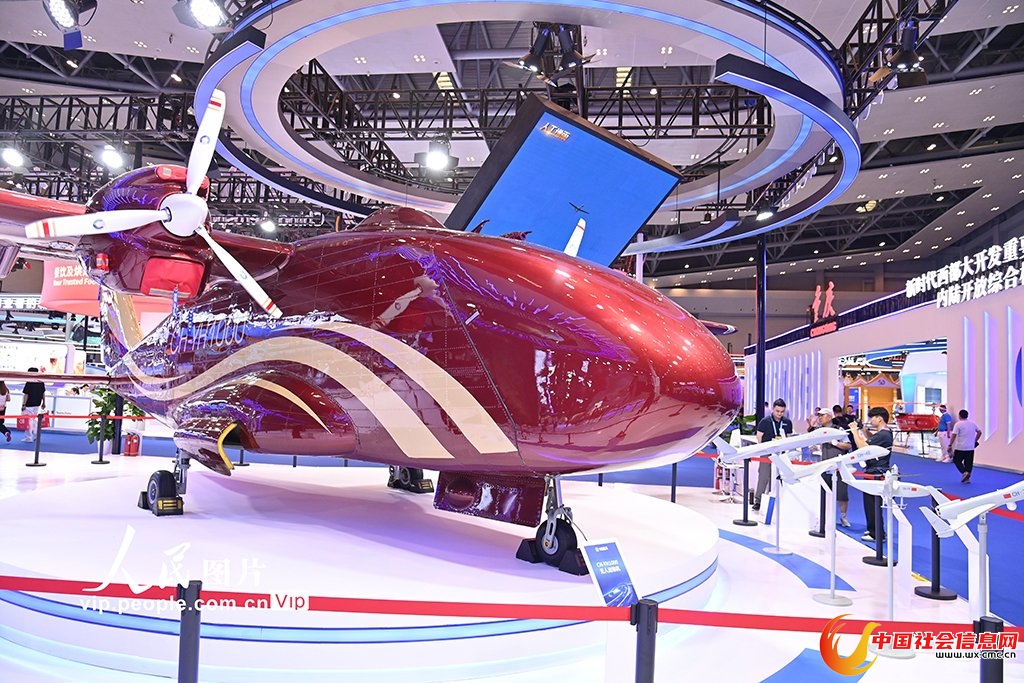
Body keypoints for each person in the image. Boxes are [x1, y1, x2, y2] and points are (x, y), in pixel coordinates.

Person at [850, 407, 893, 542]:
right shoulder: (885, 432)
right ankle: (875, 529)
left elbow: (863, 447)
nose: (870, 420)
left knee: (872, 504)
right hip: (877, 470)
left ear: (879, 418)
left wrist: (854, 431)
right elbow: (872, 439)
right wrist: (863, 430)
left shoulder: (883, 434)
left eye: (872, 418)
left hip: (875, 471)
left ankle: (876, 533)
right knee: (871, 503)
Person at [752, 399, 794, 511]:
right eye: (777, 411)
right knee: (764, 476)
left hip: (781, 454)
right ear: (773, 409)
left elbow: (789, 438)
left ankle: (775, 500)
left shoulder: (787, 422)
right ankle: (758, 501)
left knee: (779, 477)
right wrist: (763, 449)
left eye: (782, 411)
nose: (779, 414)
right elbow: (759, 436)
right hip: (767, 453)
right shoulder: (765, 421)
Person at [815, 408, 851, 527]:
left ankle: (843, 516)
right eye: (819, 416)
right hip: (824, 466)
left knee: (842, 494)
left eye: (822, 415)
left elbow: (848, 446)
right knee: (824, 492)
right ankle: (824, 516)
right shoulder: (819, 431)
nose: (820, 418)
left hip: (838, 467)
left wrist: (834, 443)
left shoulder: (838, 430)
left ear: (830, 417)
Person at [950, 409, 982, 483]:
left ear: (959, 416)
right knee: (968, 463)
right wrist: (975, 441)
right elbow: (979, 432)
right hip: (970, 447)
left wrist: (950, 444)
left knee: (956, 460)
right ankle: (967, 477)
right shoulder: (973, 423)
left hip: (960, 447)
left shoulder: (958, 424)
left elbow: (954, 435)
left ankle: (964, 473)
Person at [20, 368, 46, 443]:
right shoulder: (41, 382)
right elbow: (43, 393)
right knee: (34, 420)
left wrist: (24, 404)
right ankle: (35, 435)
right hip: (37, 403)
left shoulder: (29, 382)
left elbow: (26, 394)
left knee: (28, 421)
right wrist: (44, 402)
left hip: (29, 404)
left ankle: (28, 437)